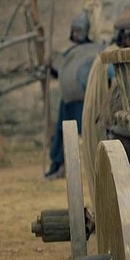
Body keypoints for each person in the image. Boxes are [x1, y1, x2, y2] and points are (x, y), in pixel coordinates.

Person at [45, 9, 104, 179]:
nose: (76, 34)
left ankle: (99, 166)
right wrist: (50, 67)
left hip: (87, 101)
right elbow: (62, 72)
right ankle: (58, 165)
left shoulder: (95, 50)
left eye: (79, 31)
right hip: (68, 101)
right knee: (61, 133)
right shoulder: (70, 53)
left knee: (92, 134)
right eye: (74, 31)